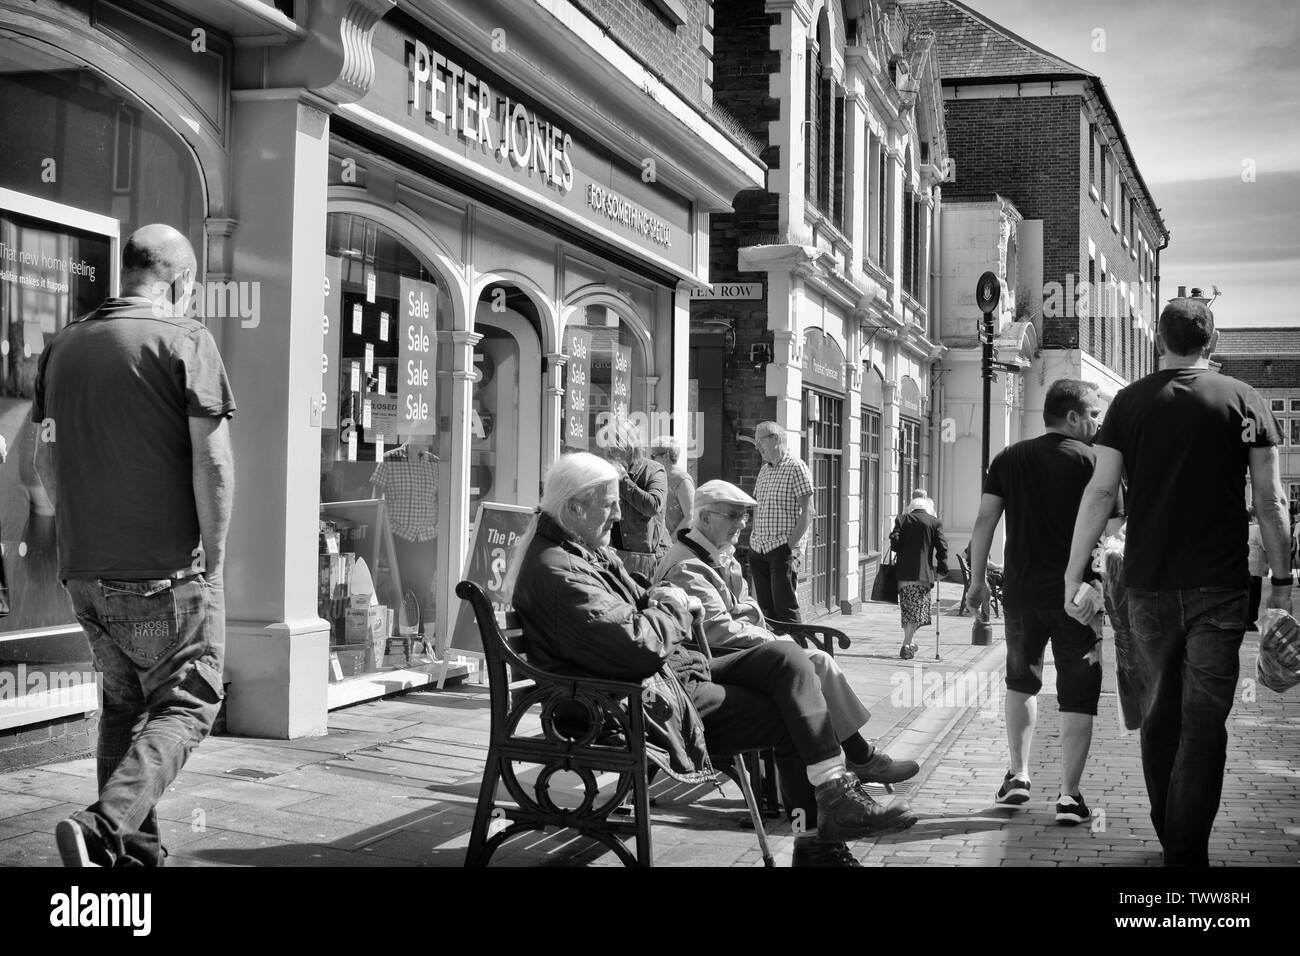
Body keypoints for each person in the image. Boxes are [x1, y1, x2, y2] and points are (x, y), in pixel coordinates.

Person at [509, 453, 915, 868]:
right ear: (575, 507)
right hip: (631, 702)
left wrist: (664, 604)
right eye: (610, 504)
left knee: (787, 657)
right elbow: (638, 644)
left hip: (660, 679)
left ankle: (834, 792)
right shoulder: (559, 569)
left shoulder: (582, 551)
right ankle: (814, 844)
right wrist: (672, 606)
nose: (618, 516)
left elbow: (643, 598)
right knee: (795, 714)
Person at [1065, 298, 1292, 867]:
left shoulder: (1128, 405)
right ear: (1211, 342)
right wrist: (1282, 587)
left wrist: (1076, 569)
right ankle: (1185, 850)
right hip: (1220, 588)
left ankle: (1174, 837)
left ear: (1158, 341)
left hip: (1147, 587)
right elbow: (1270, 500)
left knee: (1159, 715)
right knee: (1204, 723)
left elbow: (1100, 492)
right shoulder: (1246, 402)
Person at [35, 224, 236, 867]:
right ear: (180, 281)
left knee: (123, 709)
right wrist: (217, 561)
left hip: (84, 572)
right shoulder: (185, 339)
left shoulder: (62, 347)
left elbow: (42, 461)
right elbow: (214, 464)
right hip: (163, 572)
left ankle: (131, 862)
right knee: (189, 701)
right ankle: (102, 828)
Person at [655, 478, 920, 791]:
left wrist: (770, 634)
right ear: (705, 518)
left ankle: (850, 760)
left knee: (811, 663)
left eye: (744, 516)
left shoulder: (713, 553)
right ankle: (858, 760)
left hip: (735, 651)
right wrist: (778, 642)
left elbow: (745, 610)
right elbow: (718, 630)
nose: (742, 524)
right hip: (714, 662)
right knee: (814, 663)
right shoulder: (687, 565)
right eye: (733, 516)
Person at [967, 379, 1114, 825]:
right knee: (1078, 691)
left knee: (1020, 681)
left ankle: (1018, 774)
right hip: (1081, 598)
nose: (1097, 421)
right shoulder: (1097, 462)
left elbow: (984, 521)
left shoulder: (1010, 458)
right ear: (1071, 416)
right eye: (1092, 413)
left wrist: (974, 581)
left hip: (1022, 594)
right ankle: (1069, 797)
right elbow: (1116, 531)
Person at [371, 435, 439, 632]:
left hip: (427, 536)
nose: (428, 441)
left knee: (423, 587)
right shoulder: (390, 459)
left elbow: (443, 499)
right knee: (401, 586)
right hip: (399, 534)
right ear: (412, 434)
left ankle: (416, 634)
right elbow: (376, 498)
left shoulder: (435, 463)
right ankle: (401, 634)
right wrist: (378, 535)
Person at [750, 421, 813, 624]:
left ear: (776, 439)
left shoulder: (797, 467)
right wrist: (753, 538)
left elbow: (808, 511)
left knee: (785, 609)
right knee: (766, 611)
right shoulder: (764, 470)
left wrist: (790, 546)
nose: (757, 447)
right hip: (758, 548)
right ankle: (775, 651)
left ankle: (799, 651)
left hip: (781, 549)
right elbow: (757, 507)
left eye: (760, 441)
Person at [603, 419, 668, 581]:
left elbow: (653, 506)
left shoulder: (653, 470)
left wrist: (623, 479)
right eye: (607, 447)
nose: (609, 453)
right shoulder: (606, 471)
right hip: (611, 552)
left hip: (643, 559)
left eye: (615, 448)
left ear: (630, 448)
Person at [889, 490, 948, 660]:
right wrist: (942, 570)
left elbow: (895, 543)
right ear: (928, 508)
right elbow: (943, 548)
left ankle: (910, 642)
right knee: (917, 611)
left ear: (912, 508)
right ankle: (907, 644)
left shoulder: (902, 519)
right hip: (922, 575)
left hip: (902, 574)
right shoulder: (934, 522)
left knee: (908, 610)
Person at [650, 434, 695, 536]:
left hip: (675, 546)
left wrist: (672, 542)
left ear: (666, 456)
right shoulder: (659, 477)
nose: (650, 460)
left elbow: (690, 517)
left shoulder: (682, 480)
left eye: (653, 456)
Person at [1246, 508, 1267, 631]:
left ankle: (1245, 621)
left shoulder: (1239, 528)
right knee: (1254, 596)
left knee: (1246, 596)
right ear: (1254, 517)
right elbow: (1265, 547)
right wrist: (1268, 564)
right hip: (1254, 568)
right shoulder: (1257, 529)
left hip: (1242, 568)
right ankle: (1251, 621)